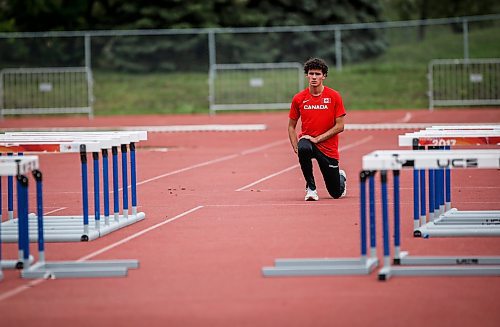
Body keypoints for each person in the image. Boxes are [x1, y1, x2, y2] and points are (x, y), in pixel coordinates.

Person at [288, 57, 347, 201]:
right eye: (311, 73)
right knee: (303, 147)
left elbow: (340, 126)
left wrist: (318, 138)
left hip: (328, 147)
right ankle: (311, 188)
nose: (314, 77)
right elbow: (291, 126)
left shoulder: (334, 96)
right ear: (307, 75)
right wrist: (296, 146)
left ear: (324, 76)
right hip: (308, 141)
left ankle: (341, 177)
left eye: (318, 74)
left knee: (335, 193)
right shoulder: (299, 98)